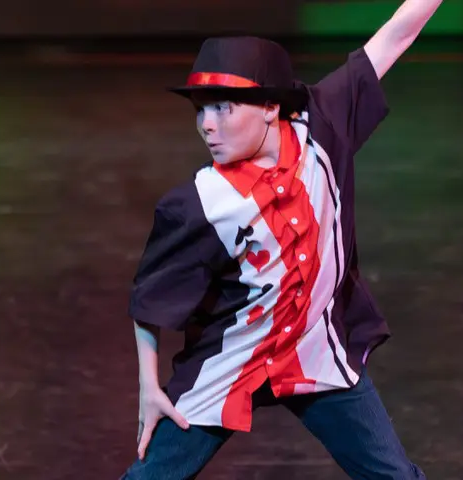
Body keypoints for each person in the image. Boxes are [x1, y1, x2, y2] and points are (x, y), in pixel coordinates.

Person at [120, 1, 443, 478]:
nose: (208, 124)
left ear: (271, 106)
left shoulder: (325, 128)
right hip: (231, 362)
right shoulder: (201, 202)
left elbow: (397, 34)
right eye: (202, 109)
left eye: (224, 108)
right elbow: (150, 299)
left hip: (318, 355)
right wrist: (149, 386)